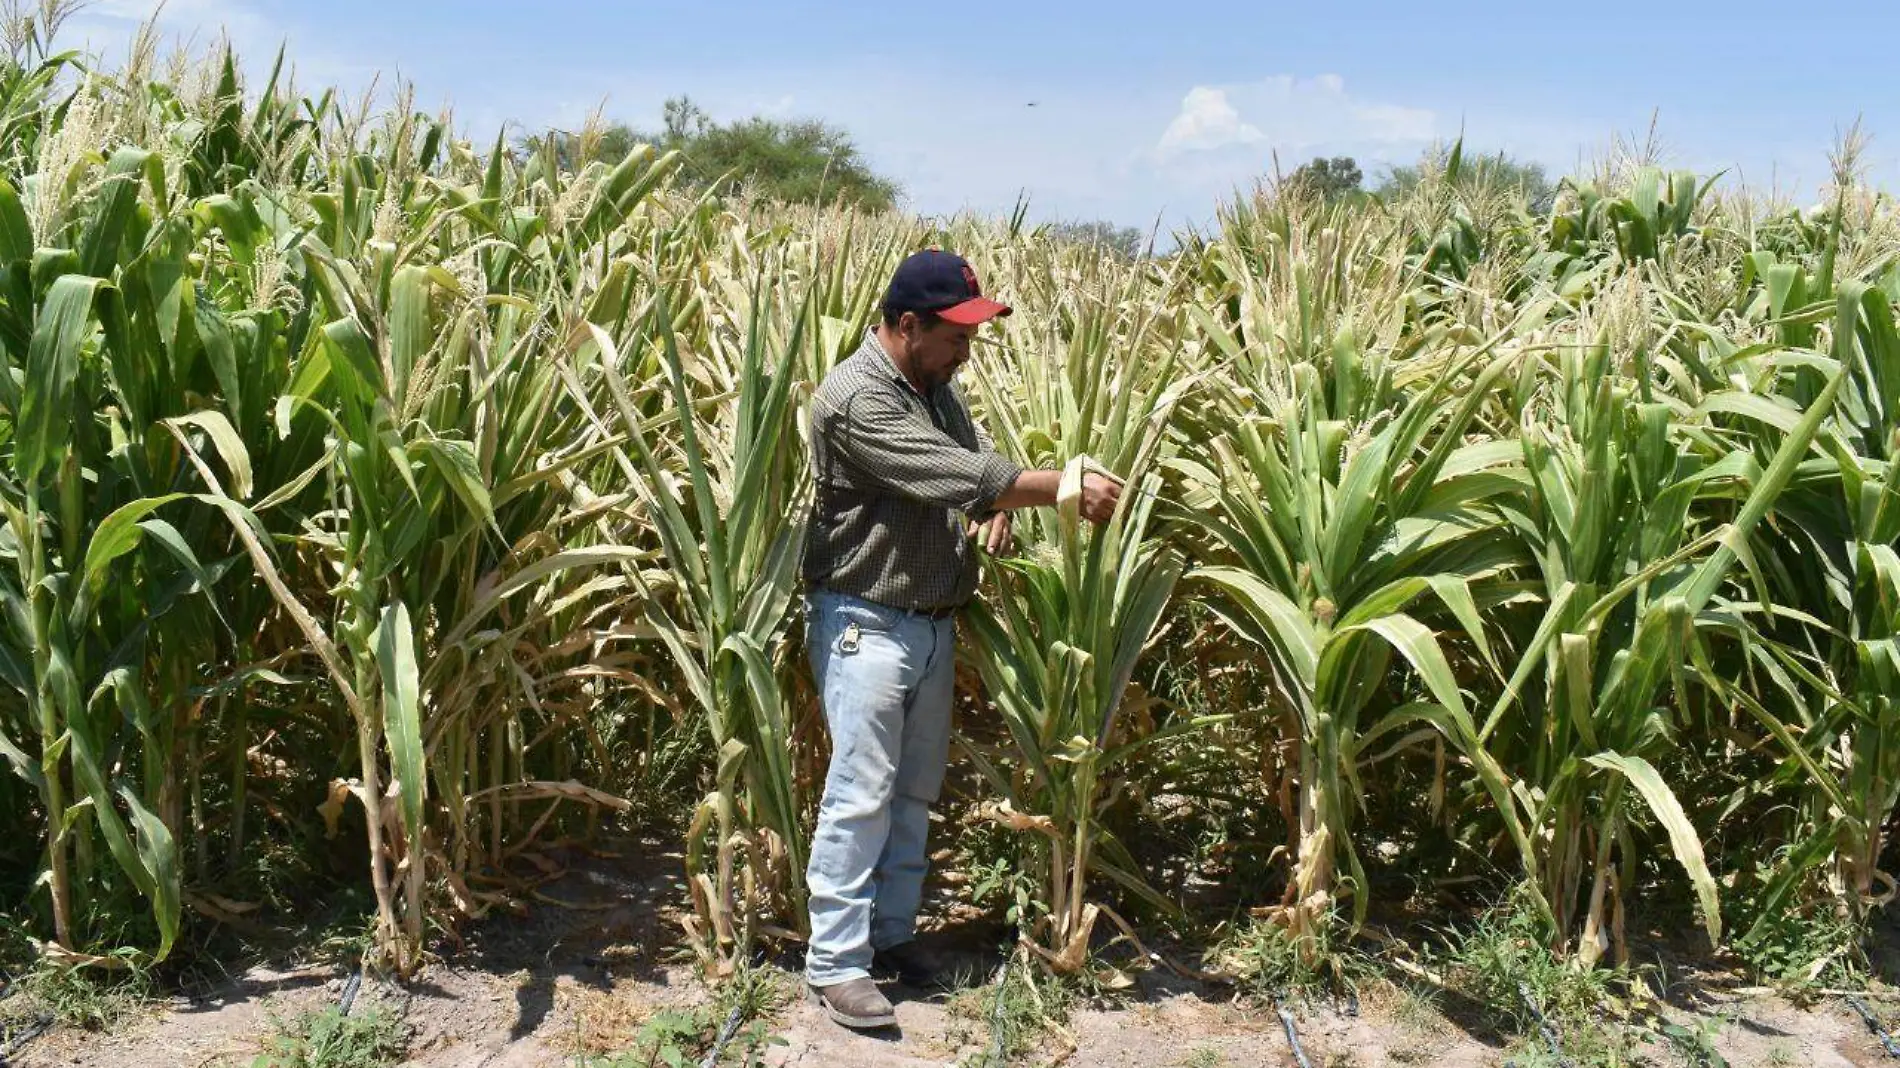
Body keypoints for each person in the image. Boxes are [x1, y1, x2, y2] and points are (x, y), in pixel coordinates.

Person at [798, 249, 1121, 1030]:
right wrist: (1062, 487)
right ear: (908, 325)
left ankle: (891, 936)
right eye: (956, 335)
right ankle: (835, 965)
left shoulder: (934, 387)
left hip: (930, 624)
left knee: (911, 795)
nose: (966, 351)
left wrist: (994, 506)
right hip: (865, 623)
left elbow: (967, 472)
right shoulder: (853, 400)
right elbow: (951, 470)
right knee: (860, 795)